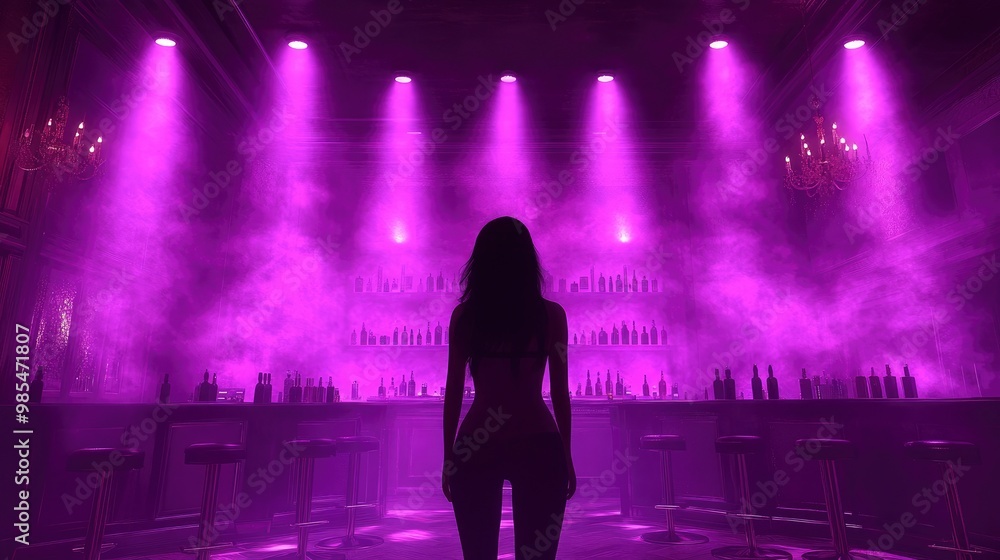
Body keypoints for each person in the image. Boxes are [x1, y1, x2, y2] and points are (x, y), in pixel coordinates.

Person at [442, 216, 575, 560]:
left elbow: (453, 390)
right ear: (528, 261)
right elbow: (560, 392)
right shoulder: (552, 316)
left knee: (478, 553)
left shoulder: (466, 318)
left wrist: (448, 457)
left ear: (480, 263)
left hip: (476, 442)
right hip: (538, 440)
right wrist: (568, 454)